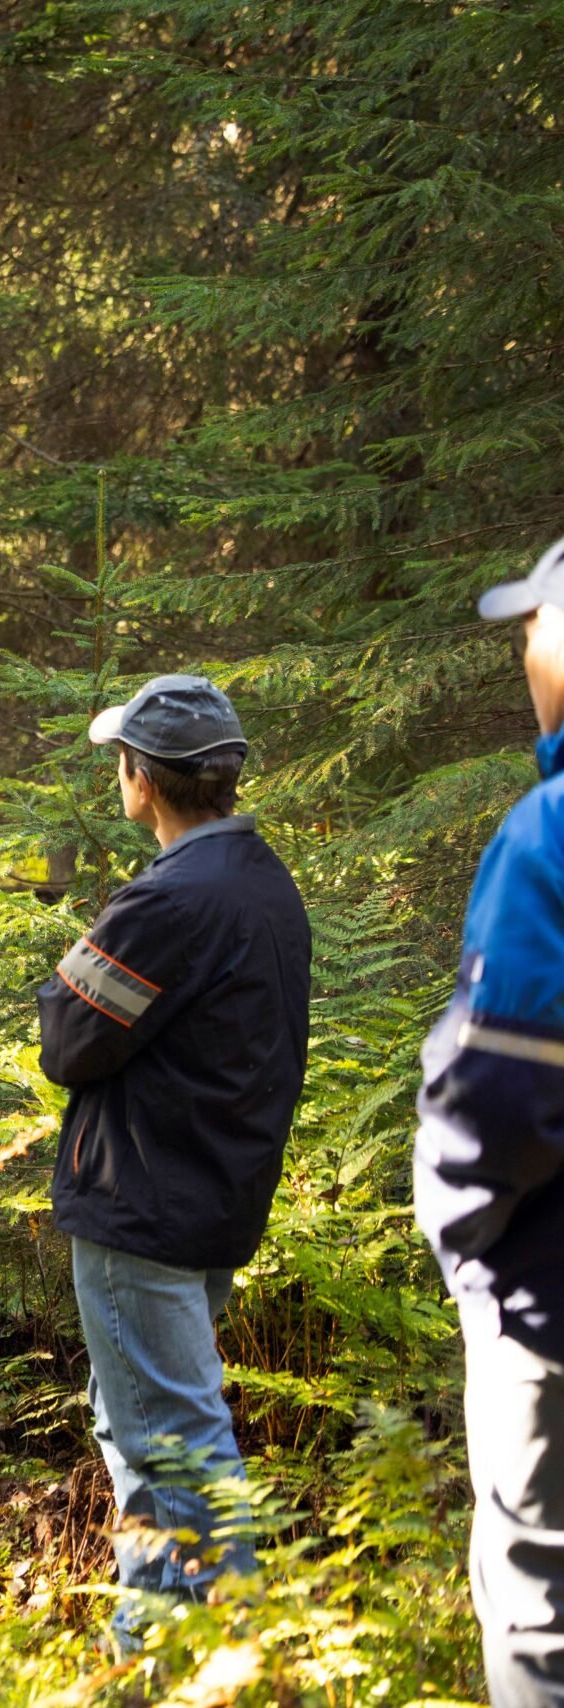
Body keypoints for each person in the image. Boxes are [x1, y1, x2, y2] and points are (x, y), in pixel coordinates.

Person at [38, 673, 310, 1650]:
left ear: (141, 780)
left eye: (123, 761)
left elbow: (67, 1037)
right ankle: (149, 1645)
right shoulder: (263, 882)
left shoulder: (170, 898)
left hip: (140, 1210)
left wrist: (70, 969)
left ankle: (224, 1657)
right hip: (210, 1205)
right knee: (142, 1432)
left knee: (176, 1444)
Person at [417, 539, 564, 1707]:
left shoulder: (545, 834)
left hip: (545, 1294)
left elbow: (504, 1087)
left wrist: (464, 1235)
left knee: (535, 1586)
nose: (522, 649)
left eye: (532, 626)